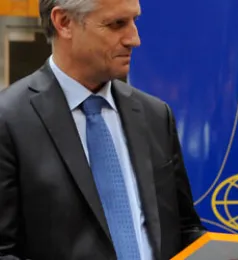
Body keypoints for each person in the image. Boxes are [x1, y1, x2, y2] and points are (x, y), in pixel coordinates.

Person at [0, 0, 206, 259]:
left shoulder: (155, 115)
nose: (134, 39)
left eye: (134, 21)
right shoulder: (9, 120)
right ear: (64, 22)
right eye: (117, 24)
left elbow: (183, 228)